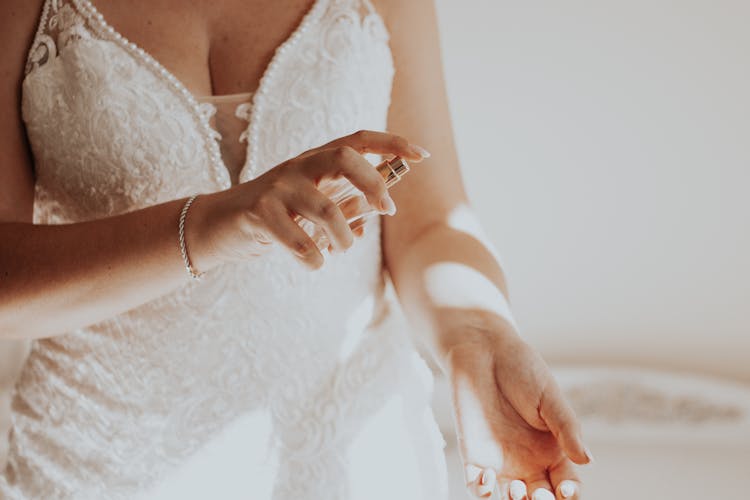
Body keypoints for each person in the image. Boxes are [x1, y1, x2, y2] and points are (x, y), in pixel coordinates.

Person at [0, 0, 592, 498]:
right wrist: (208, 226)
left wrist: (478, 335)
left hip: (353, 461)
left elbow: (431, 223)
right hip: (94, 466)